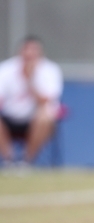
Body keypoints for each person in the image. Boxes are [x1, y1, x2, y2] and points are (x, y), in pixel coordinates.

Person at [0, 35, 63, 167]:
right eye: (26, 49)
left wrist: (29, 80)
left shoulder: (50, 70)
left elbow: (46, 101)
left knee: (45, 117)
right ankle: (9, 161)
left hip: (35, 121)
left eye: (34, 50)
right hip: (9, 118)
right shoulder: (6, 69)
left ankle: (26, 161)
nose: (30, 54)